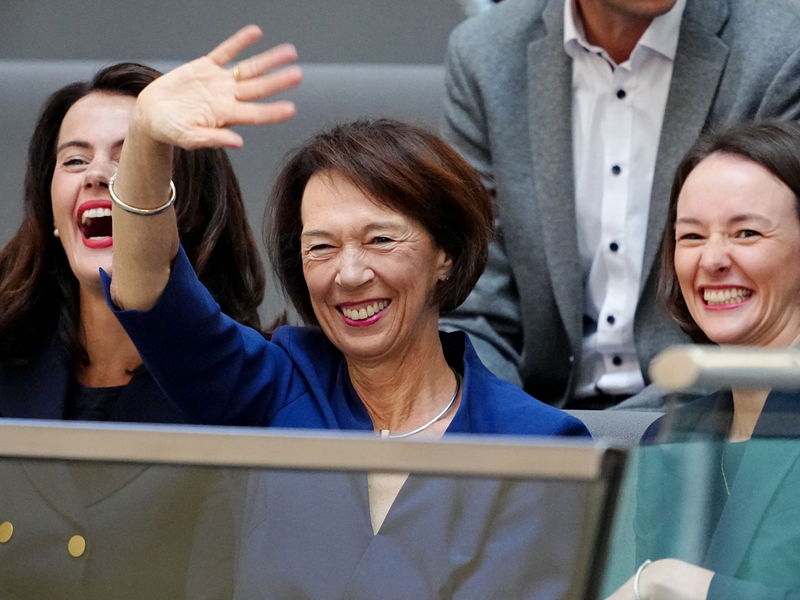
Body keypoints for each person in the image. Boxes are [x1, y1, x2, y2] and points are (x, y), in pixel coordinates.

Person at [99, 27, 589, 597]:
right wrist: (147, 139)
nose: (349, 275)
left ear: (445, 256)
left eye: (381, 240)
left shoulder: (537, 444)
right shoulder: (278, 386)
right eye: (321, 247)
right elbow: (149, 291)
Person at [0, 59, 298, 598]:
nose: (98, 174)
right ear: (47, 208)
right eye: (74, 159)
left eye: (131, 155)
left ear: (176, 205)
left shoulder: (246, 388)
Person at [439, 0, 800, 408]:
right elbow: (475, 307)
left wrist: (592, 442)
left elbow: (772, 316)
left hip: (706, 417)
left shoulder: (781, 50)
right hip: (533, 418)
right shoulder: (485, 56)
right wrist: (515, 426)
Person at [608, 120, 800, 600]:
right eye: (691, 237)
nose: (711, 260)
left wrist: (675, 582)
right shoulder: (670, 439)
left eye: (747, 232)